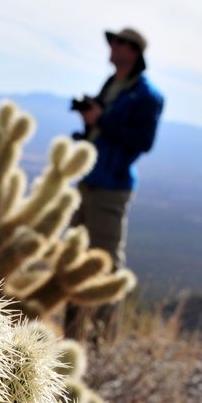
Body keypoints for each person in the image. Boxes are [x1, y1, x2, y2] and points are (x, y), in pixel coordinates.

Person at [65, 26, 164, 340]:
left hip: (113, 184)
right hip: (89, 178)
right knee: (74, 254)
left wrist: (102, 120)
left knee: (105, 259)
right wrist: (88, 126)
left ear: (132, 50)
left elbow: (143, 141)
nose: (111, 47)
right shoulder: (112, 84)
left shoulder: (147, 95)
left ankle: (101, 338)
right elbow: (104, 131)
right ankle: (72, 333)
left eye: (118, 43)